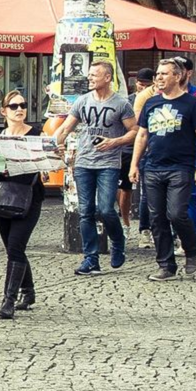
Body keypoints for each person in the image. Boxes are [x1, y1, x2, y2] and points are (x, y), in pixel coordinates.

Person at [51, 58, 136, 276]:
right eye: (89, 74)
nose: (89, 78)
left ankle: (118, 241)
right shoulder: (82, 101)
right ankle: (91, 259)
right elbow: (66, 128)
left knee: (105, 209)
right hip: (84, 163)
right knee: (86, 212)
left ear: (107, 78)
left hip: (108, 163)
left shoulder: (121, 104)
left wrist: (114, 142)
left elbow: (135, 132)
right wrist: (55, 144)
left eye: (94, 75)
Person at [129, 55, 196, 281]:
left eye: (164, 74)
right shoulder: (152, 103)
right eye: (157, 74)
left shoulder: (191, 104)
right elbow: (142, 134)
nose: (159, 78)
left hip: (181, 166)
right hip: (152, 167)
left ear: (178, 76)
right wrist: (135, 164)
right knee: (157, 218)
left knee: (176, 213)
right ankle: (166, 265)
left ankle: (192, 248)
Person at [0, 90, 48, 319]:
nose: (19, 109)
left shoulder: (36, 134)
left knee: (15, 246)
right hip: (3, 195)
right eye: (13, 106)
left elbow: (49, 160)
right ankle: (28, 290)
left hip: (29, 196)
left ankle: (9, 300)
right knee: (14, 249)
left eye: (22, 105)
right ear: (4, 111)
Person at [126, 67, 156, 233]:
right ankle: (144, 228)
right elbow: (137, 128)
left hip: (152, 148)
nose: (142, 87)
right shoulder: (131, 100)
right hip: (133, 148)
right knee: (144, 192)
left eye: (147, 84)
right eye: (140, 83)